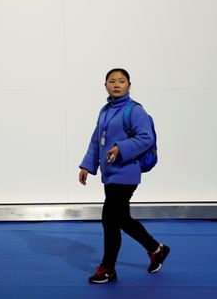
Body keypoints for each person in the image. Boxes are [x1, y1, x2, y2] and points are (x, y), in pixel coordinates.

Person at [78, 68, 170, 284]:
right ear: (105, 85)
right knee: (121, 218)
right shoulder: (105, 110)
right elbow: (95, 141)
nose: (116, 84)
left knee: (109, 219)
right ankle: (156, 249)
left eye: (121, 81)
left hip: (127, 172)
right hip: (110, 173)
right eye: (112, 81)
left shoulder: (134, 110)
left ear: (129, 85)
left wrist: (121, 148)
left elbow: (145, 138)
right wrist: (86, 166)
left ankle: (108, 268)